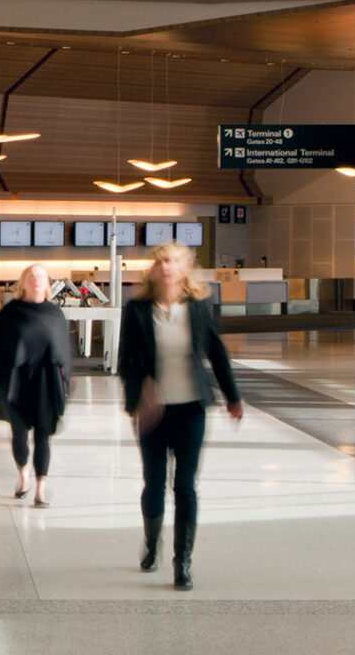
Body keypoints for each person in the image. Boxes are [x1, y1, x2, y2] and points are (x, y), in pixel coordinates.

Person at [116, 242, 243, 590]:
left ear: (185, 268)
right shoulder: (138, 309)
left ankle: (182, 561)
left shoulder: (199, 307)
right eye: (160, 262)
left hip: (191, 408)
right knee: (154, 483)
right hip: (152, 413)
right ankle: (152, 541)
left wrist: (232, 396)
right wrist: (139, 392)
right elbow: (125, 361)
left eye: (172, 261)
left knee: (185, 485)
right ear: (153, 269)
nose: (166, 267)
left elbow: (216, 351)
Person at [0, 264, 71, 505]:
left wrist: (65, 385)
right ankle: (24, 475)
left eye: (41, 277)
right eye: (31, 276)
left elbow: (65, 354)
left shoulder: (56, 314)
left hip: (45, 382)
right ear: (22, 283)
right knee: (20, 433)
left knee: (44, 435)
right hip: (15, 381)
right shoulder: (11, 312)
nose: (36, 280)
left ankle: (41, 488)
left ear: (47, 284)